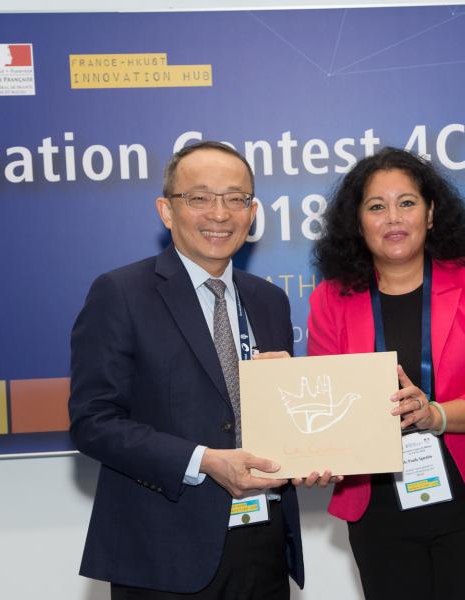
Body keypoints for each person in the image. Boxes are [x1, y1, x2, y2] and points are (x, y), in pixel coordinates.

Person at [69, 141, 305, 599]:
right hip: (164, 553)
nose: (219, 213)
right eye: (199, 197)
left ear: (251, 211)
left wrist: (310, 452)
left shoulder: (269, 301)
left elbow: (271, 418)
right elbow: (93, 422)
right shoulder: (120, 293)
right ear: (166, 210)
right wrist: (205, 461)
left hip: (263, 548)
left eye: (235, 198)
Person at [308, 147, 465, 599]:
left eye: (407, 202)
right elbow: (326, 401)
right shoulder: (331, 298)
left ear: (430, 214)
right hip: (377, 506)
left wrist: (437, 415)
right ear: (357, 222)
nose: (393, 217)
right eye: (376, 206)